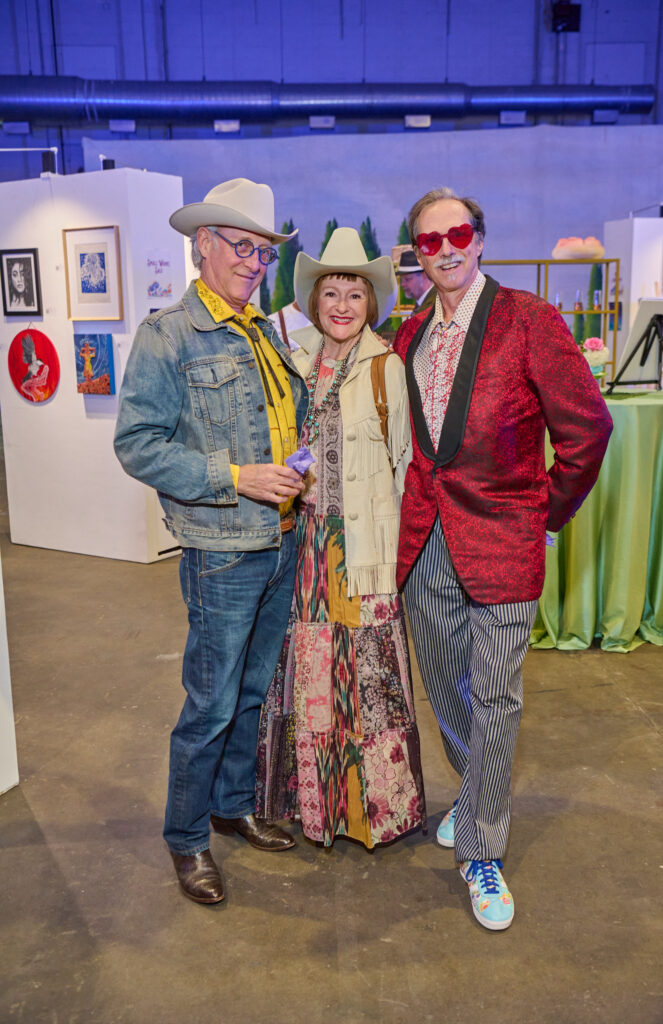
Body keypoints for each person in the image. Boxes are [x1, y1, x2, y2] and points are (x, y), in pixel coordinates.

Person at [394, 187, 613, 930]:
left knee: (495, 696)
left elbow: (586, 428)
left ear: (479, 239)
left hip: (505, 541)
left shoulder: (529, 319)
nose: (445, 248)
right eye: (429, 241)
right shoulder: (409, 334)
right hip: (426, 544)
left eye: (457, 233)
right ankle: (475, 791)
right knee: (446, 690)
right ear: (416, 256)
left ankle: (482, 848)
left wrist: (542, 513)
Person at [114, 178, 309, 905]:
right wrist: (235, 476)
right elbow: (137, 445)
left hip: (280, 541)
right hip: (222, 548)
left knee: (252, 694)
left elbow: (279, 427)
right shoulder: (168, 335)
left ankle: (230, 807)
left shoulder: (261, 330)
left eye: (262, 250)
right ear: (202, 245)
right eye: (241, 246)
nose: (255, 261)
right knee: (210, 704)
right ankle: (187, 839)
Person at [255, 228, 427, 847]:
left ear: (371, 302)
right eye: (332, 291)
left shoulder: (387, 367)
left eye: (355, 293)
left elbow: (407, 467)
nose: (343, 305)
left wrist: (394, 557)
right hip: (304, 550)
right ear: (314, 300)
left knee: (371, 685)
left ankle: (377, 812)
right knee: (314, 677)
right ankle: (317, 808)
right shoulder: (296, 362)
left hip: (363, 551)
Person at [396, 248, 434, 313]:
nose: (402, 284)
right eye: (402, 279)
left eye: (407, 279)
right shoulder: (423, 303)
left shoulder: (436, 304)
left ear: (425, 275)